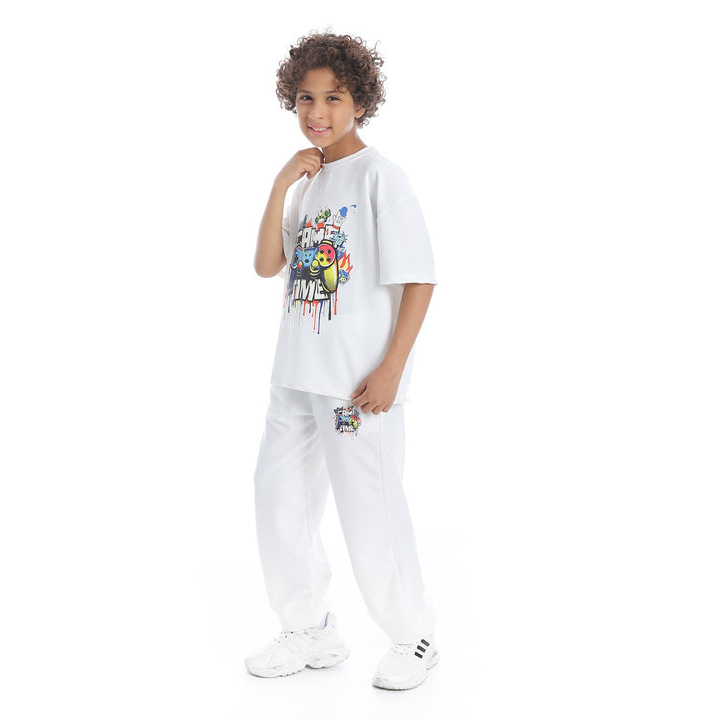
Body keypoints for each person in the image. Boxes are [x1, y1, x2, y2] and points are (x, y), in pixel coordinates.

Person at [244, 31, 439, 691]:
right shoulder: (307, 181)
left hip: (354, 385)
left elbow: (419, 278)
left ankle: (414, 636)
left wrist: (391, 369)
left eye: (334, 97)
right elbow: (267, 265)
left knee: (369, 507)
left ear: (361, 101)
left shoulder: (381, 176)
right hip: (295, 375)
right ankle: (309, 629)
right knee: (277, 498)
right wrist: (281, 183)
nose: (317, 111)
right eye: (306, 98)